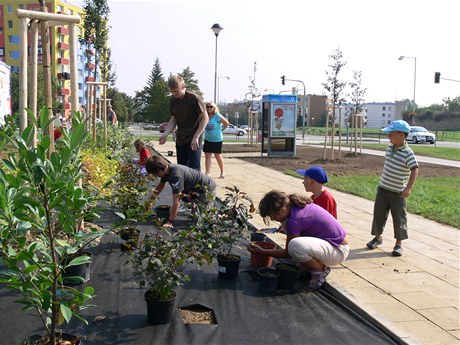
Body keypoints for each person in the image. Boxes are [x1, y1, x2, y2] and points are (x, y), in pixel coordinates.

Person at [247, 190, 349, 290]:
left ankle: (320, 269)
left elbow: (288, 253)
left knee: (294, 246)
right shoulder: (290, 201)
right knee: (295, 244)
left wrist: (262, 251)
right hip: (331, 244)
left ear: (282, 211)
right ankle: (308, 266)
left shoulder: (294, 220)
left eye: (272, 215)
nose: (273, 219)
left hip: (338, 250)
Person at [366, 120, 418, 257]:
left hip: (398, 193)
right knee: (379, 214)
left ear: (402, 135)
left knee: (399, 217)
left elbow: (414, 169)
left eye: (391, 133)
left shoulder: (408, 153)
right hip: (383, 188)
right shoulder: (389, 148)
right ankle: (377, 238)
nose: (389, 136)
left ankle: (398, 244)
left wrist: (408, 187)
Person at [145, 155, 216, 228]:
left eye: (154, 174)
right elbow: (160, 186)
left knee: (203, 220)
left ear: (159, 171)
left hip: (207, 188)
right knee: (195, 216)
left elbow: (176, 202)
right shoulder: (166, 170)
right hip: (194, 189)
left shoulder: (176, 176)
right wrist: (150, 202)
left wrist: (170, 222)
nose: (154, 176)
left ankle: (222, 217)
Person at [159, 75, 208, 171]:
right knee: (181, 168)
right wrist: (165, 134)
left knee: (194, 169)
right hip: (181, 138)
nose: (174, 94)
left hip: (194, 138)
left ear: (182, 87)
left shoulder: (194, 98)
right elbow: (173, 119)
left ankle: (195, 186)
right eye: (171, 91)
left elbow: (205, 118)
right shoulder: (173, 100)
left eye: (176, 91)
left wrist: (196, 136)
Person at [203, 101, 229, 178]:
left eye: (211, 107)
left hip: (217, 140)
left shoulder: (217, 116)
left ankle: (222, 172)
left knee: (217, 155)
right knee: (207, 156)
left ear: (214, 108)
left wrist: (221, 129)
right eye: (207, 107)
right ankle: (207, 173)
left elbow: (226, 123)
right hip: (207, 139)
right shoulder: (205, 116)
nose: (209, 108)